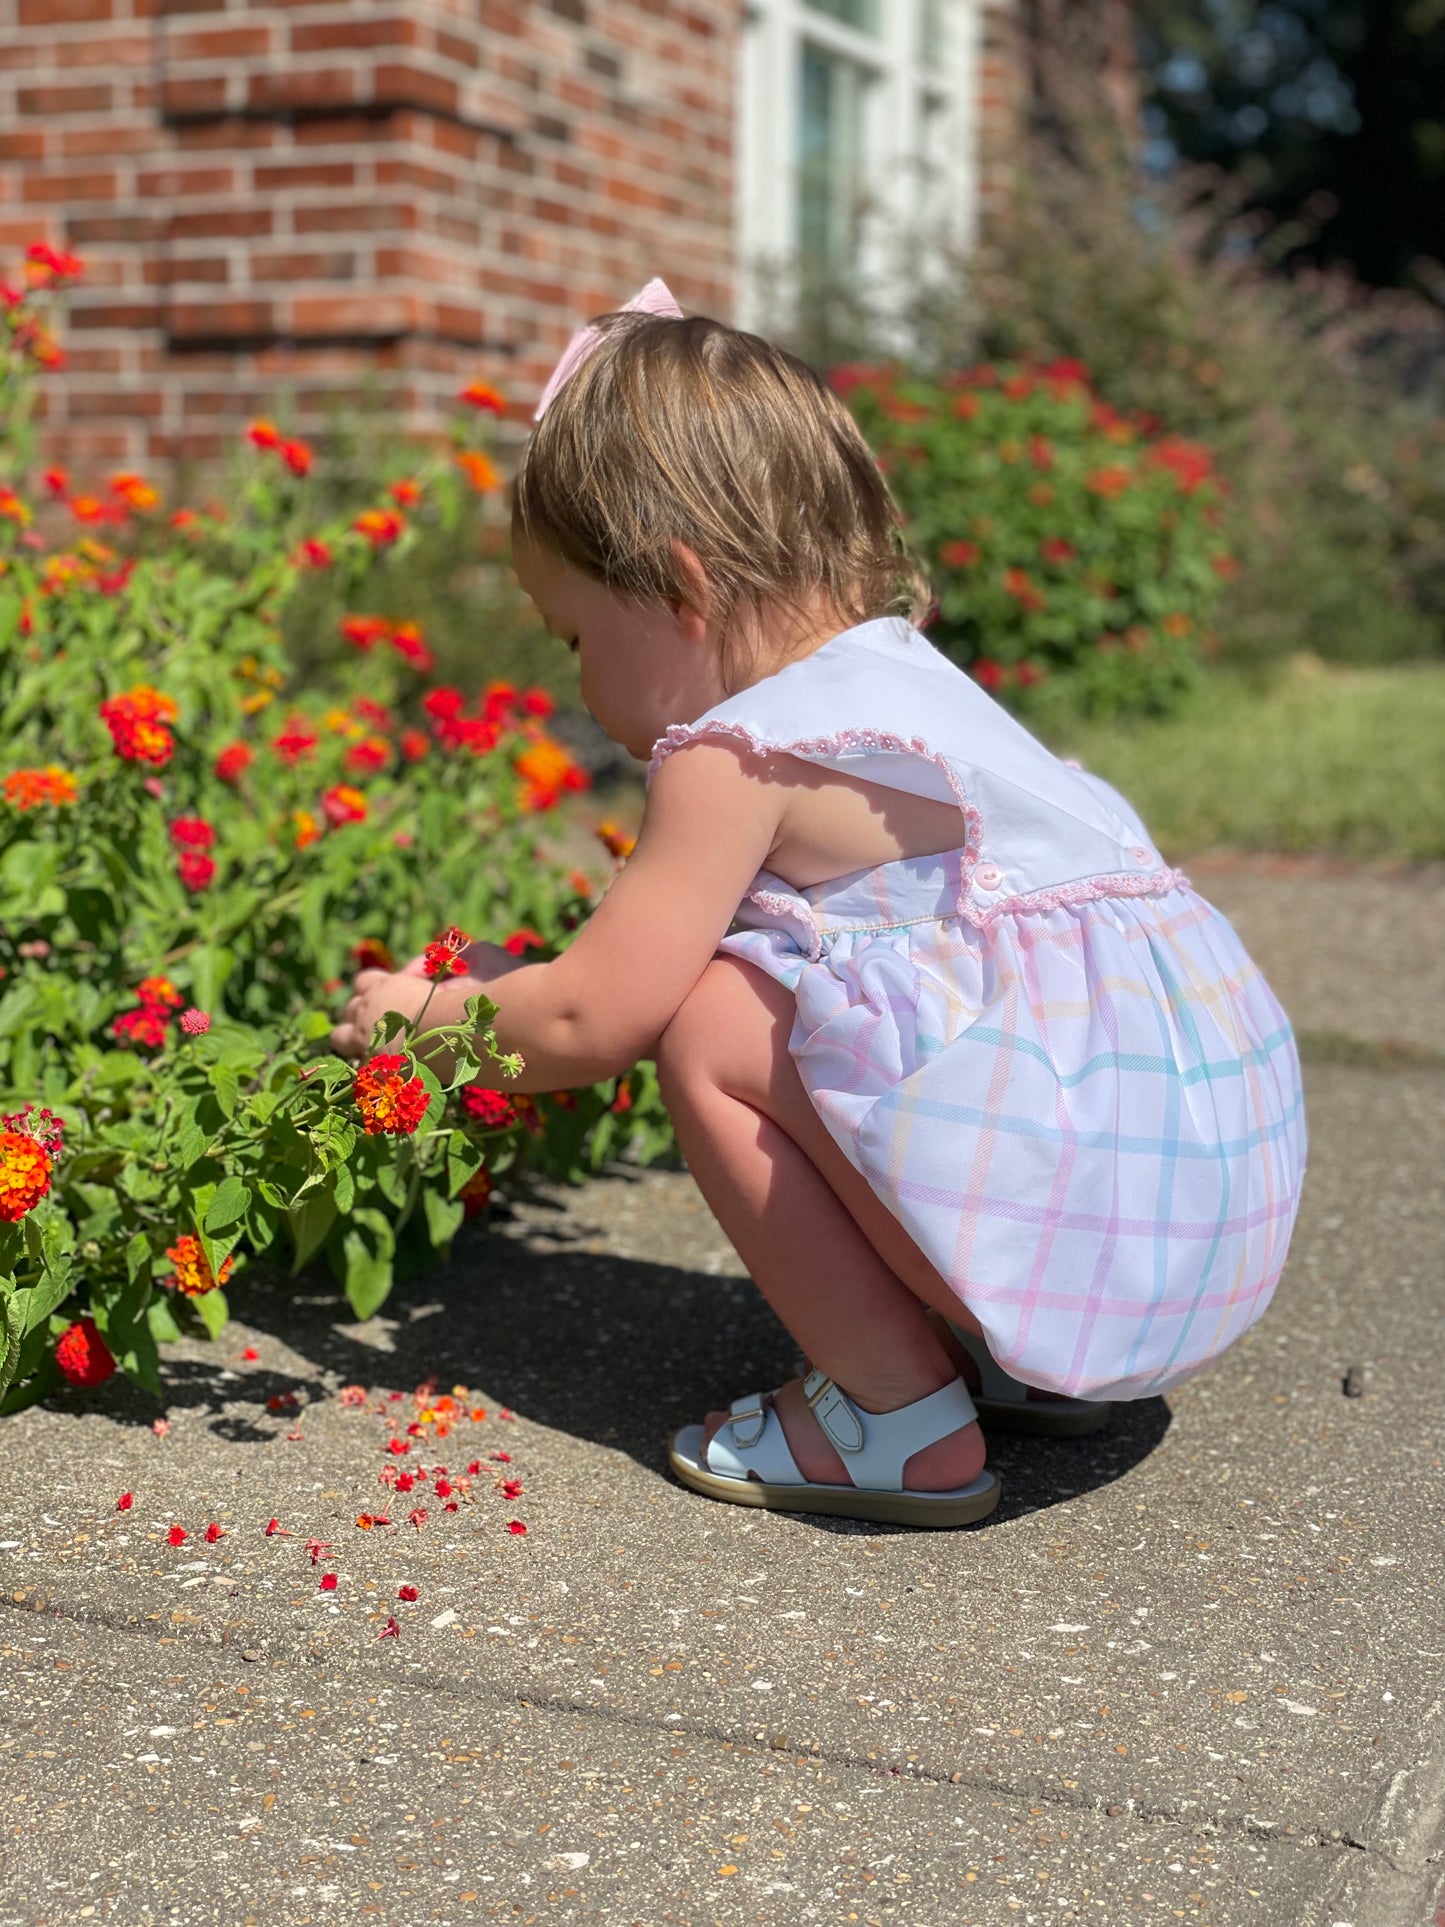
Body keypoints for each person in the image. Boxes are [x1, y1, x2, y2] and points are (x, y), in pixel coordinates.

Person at [331, 280, 1307, 1530]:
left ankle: (896, 1422)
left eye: (570, 637)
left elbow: (588, 1020)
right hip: (1171, 1246)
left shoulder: (737, 748)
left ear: (678, 590)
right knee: (822, 997)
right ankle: (1004, 1352)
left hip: (1082, 1254)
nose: (574, 678)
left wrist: (430, 1015)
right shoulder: (901, 678)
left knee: (713, 1022)